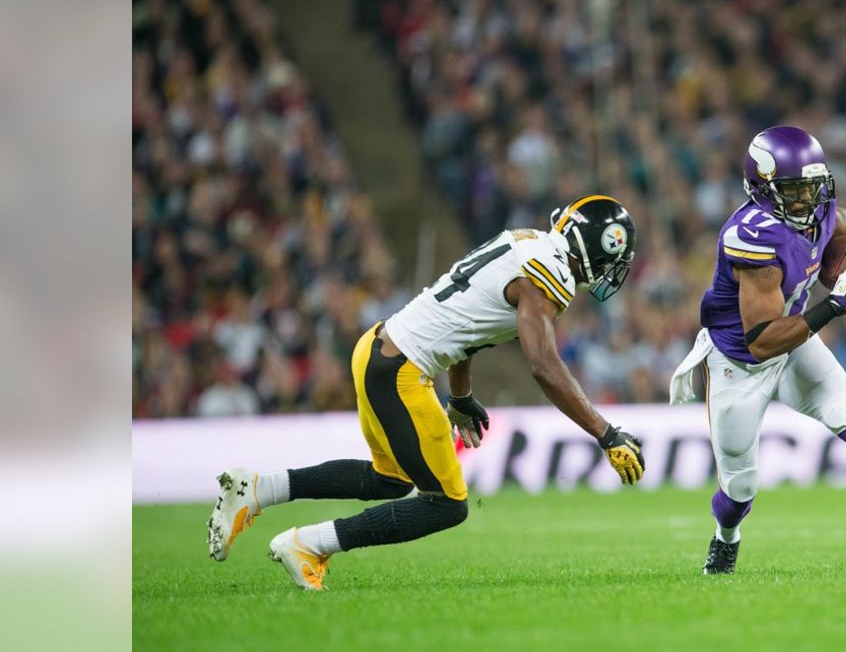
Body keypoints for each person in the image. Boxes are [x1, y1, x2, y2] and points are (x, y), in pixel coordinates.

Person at [206, 196, 646, 590]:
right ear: (595, 246)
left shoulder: (527, 241)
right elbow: (544, 366)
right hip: (401, 371)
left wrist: (460, 395)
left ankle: (258, 489)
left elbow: (467, 326)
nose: (612, 271)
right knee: (447, 504)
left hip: (376, 349)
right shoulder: (548, 274)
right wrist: (606, 433)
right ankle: (307, 545)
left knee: (391, 479)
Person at [670, 126, 846, 575]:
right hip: (740, 362)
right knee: (738, 492)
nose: (807, 198)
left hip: (796, 342)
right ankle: (726, 540)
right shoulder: (754, 236)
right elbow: (762, 341)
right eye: (794, 189)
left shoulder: (820, 212)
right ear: (762, 187)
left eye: (812, 186)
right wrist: (836, 304)